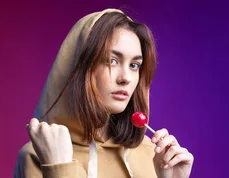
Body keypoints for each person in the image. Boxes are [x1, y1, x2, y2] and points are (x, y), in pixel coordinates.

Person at [13, 8, 194, 178]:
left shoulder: (153, 155)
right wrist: (59, 168)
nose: (126, 78)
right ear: (80, 67)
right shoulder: (37, 156)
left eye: (134, 65)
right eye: (112, 60)